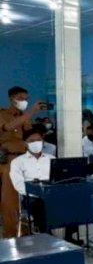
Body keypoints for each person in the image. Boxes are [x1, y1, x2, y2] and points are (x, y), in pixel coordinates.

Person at [0, 86, 47, 238]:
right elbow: (9, 127)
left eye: (26, 98)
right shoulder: (3, 115)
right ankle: (11, 234)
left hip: (26, 158)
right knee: (11, 200)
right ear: (12, 98)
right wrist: (31, 111)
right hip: (9, 160)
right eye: (21, 98)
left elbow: (28, 135)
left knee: (28, 196)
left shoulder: (25, 117)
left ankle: (26, 230)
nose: (24, 101)